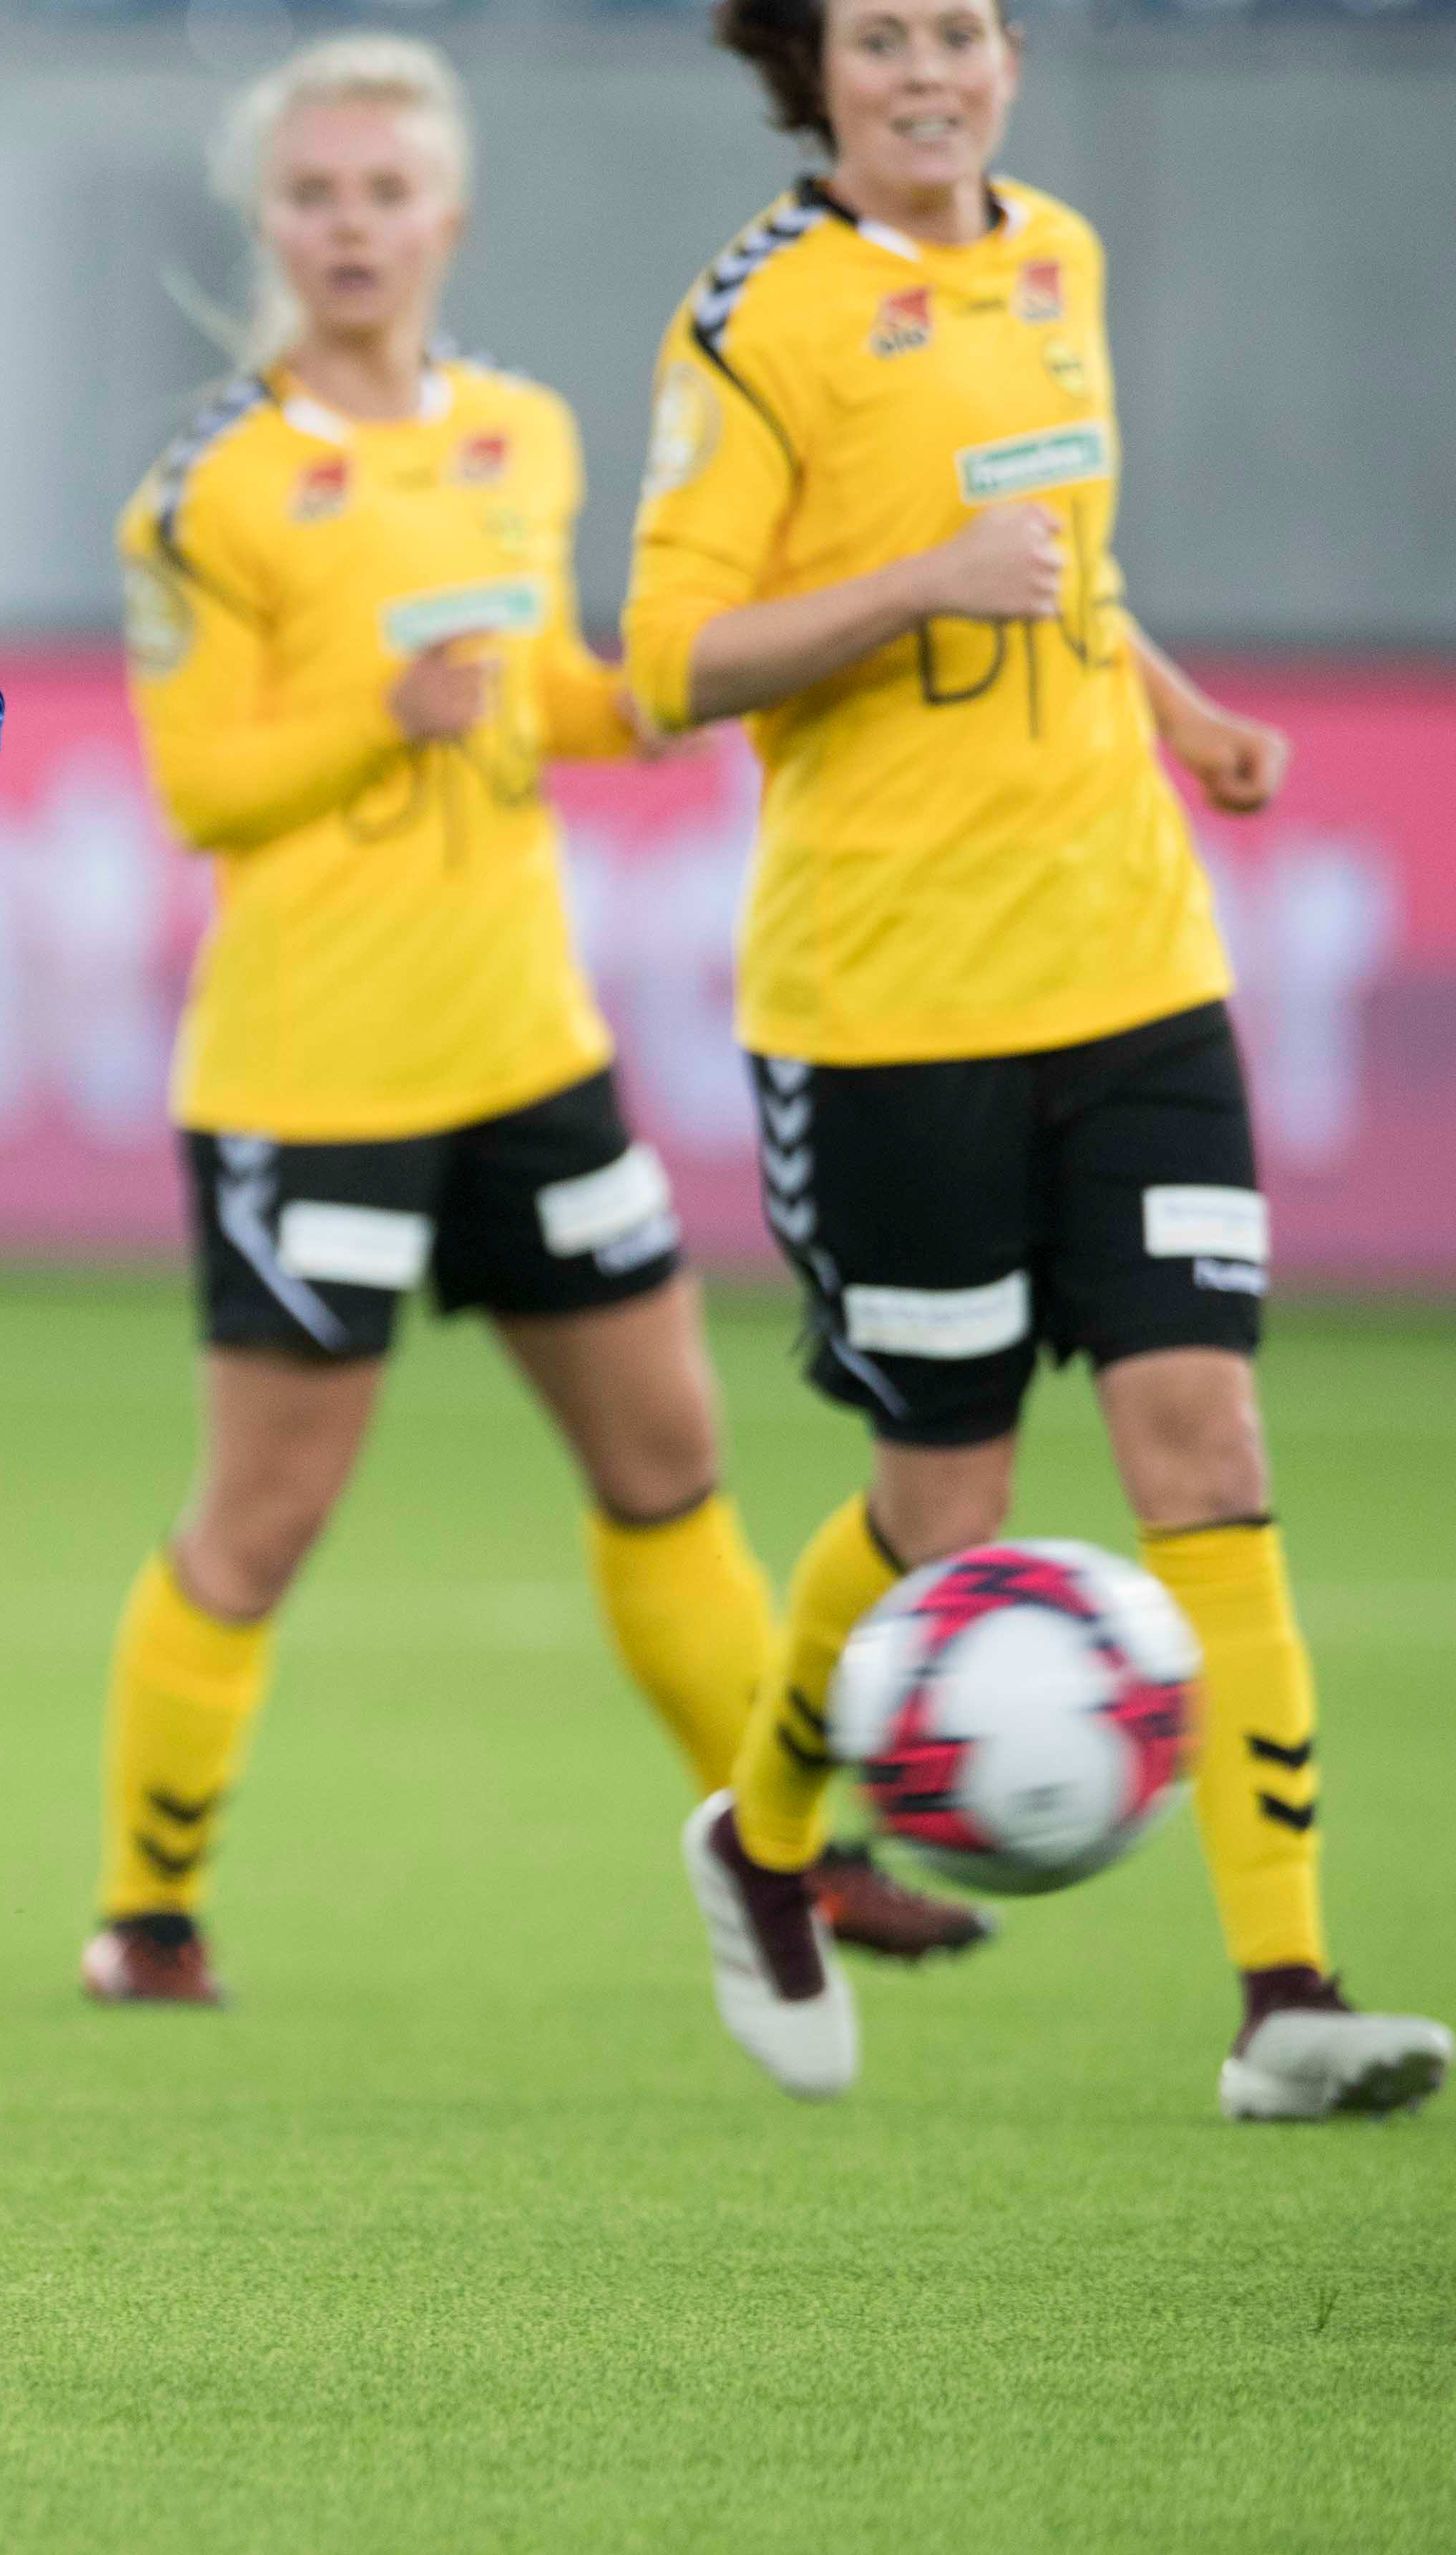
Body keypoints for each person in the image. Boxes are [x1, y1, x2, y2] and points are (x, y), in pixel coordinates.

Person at [81, 32, 980, 2009]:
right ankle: (146, 1916)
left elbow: (545, 691)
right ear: (267, 222)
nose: (351, 227)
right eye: (315, 194)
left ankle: (796, 1859)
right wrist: (374, 717)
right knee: (266, 1517)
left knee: (669, 1456)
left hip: (529, 1054)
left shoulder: (524, 434)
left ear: (448, 219)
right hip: (316, 1077)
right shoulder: (210, 488)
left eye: (385, 192)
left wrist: (647, 695)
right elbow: (203, 787)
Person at [630, 0, 1447, 2118]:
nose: (932, 67)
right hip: (890, 1002)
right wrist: (920, 586)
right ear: (816, 69)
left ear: (1006, 58)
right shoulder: (757, 317)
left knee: (1208, 1444)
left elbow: (1063, 564)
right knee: (943, 1499)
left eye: (965, 28)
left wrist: (1171, 706)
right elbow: (672, 659)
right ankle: (766, 1843)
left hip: (1134, 961)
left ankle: (1286, 1999)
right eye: (885, 35)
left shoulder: (1058, 252)